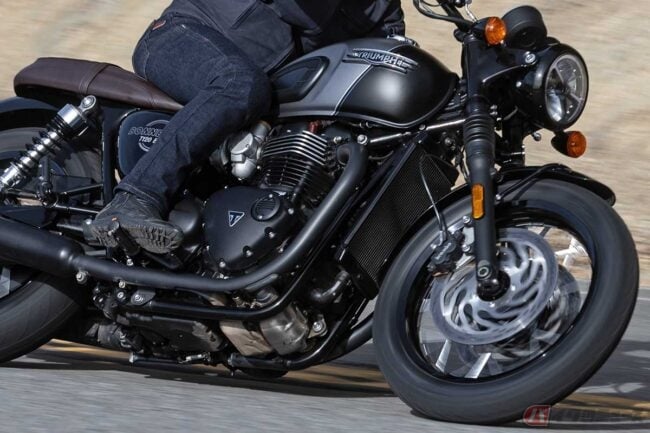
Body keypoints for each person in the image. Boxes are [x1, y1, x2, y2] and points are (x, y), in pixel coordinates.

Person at [91, 0, 405, 254]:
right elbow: (304, 15)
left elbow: (390, 50)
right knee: (239, 84)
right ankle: (135, 198)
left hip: (267, 91)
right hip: (182, 38)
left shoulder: (380, 5)